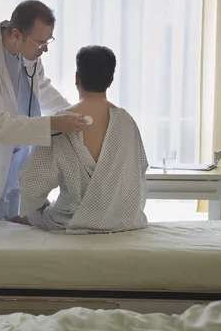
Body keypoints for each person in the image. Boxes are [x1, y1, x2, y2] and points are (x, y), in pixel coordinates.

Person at [0, 0, 89, 220]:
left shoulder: (28, 55)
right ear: (16, 34)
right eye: (40, 42)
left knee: (12, 234)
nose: (44, 49)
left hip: (18, 163)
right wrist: (54, 123)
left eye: (48, 41)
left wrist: (74, 113)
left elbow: (42, 89)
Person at [11, 45, 149, 234]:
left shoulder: (62, 123)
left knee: (27, 216)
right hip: (123, 220)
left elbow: (32, 184)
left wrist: (34, 212)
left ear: (77, 78)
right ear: (111, 80)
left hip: (71, 220)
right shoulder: (126, 121)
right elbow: (139, 173)